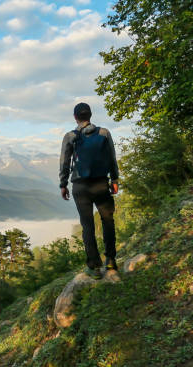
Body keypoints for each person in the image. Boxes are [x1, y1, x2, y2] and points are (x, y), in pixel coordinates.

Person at [59, 102, 119, 279]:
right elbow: (112, 158)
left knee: (87, 226)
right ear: (90, 115)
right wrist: (114, 180)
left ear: (76, 117)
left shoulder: (70, 136)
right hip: (101, 184)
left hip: (80, 187)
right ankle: (111, 260)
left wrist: (63, 184)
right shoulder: (104, 133)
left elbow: (64, 162)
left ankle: (94, 267)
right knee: (107, 220)